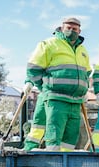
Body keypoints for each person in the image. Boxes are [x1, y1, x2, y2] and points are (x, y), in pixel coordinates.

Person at [23, 18, 91, 151]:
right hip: (56, 98)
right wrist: (44, 87)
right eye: (68, 28)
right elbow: (33, 68)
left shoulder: (82, 50)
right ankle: (52, 164)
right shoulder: (49, 44)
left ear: (80, 31)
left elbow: (86, 72)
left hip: (76, 101)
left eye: (75, 29)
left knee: (70, 139)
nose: (71, 31)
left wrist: (84, 89)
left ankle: (66, 165)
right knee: (54, 135)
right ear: (61, 27)